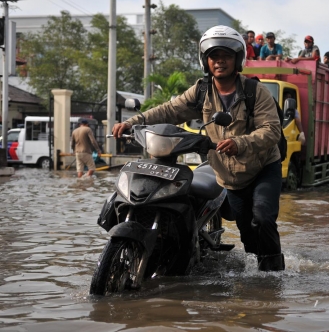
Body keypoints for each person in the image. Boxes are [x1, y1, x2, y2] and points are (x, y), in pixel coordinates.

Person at [112, 25, 285, 271]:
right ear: (206, 60)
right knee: (247, 230)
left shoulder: (255, 92)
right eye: (214, 56)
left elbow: (271, 130)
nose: (220, 61)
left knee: (263, 218)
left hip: (263, 167)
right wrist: (132, 122)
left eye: (226, 55)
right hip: (230, 175)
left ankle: (274, 276)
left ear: (238, 59)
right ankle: (257, 270)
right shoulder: (201, 91)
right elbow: (170, 110)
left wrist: (240, 142)